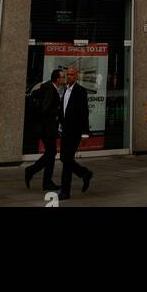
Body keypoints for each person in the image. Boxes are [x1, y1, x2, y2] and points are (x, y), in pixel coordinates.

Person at [24, 68, 64, 193]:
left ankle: (44, 180)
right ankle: (34, 172)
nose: (64, 79)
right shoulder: (51, 90)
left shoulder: (50, 88)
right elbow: (45, 109)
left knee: (50, 154)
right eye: (62, 77)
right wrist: (57, 112)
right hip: (47, 128)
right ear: (57, 79)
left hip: (46, 127)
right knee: (51, 153)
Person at [57, 65, 94, 199]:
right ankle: (84, 173)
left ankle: (65, 191)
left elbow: (84, 113)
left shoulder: (80, 91)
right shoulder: (64, 90)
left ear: (77, 76)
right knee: (64, 158)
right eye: (67, 75)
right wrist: (60, 124)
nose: (69, 77)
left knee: (67, 160)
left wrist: (85, 133)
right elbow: (63, 109)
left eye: (72, 75)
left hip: (75, 131)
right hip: (65, 130)